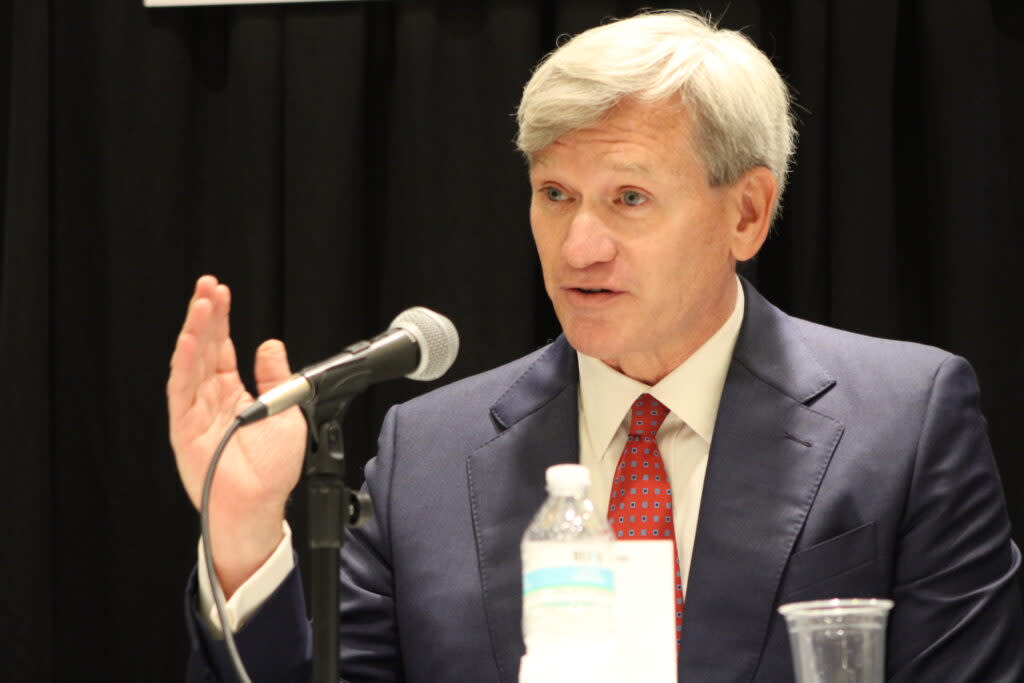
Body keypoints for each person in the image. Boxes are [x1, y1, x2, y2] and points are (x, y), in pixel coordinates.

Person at [170, 10, 1024, 682]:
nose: (579, 246)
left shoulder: (907, 421)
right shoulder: (428, 451)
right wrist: (244, 542)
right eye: (554, 192)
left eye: (629, 198)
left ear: (748, 213)